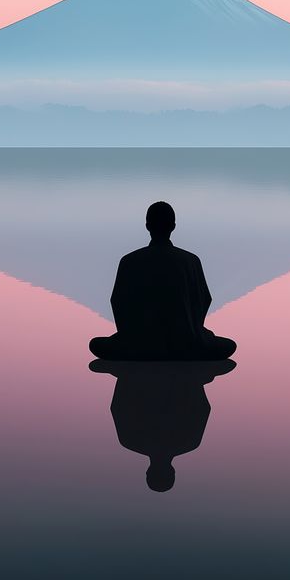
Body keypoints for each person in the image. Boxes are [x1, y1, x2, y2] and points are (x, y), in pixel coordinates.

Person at [88, 201, 236, 361]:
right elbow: (204, 300)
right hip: (186, 344)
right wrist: (191, 329)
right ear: (173, 226)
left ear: (147, 226)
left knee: (96, 344)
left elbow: (118, 303)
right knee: (228, 345)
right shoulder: (191, 261)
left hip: (137, 345)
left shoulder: (129, 261)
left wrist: (131, 335)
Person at [89, 358, 236, 490]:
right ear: (148, 471)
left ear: (172, 471)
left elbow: (203, 407)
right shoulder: (128, 442)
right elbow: (117, 405)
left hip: (154, 363)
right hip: (162, 363)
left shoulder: (191, 443)